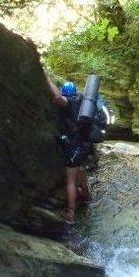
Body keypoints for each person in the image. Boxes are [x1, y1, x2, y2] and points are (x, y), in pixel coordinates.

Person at [45, 71, 93, 224]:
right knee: (80, 168)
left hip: (74, 145)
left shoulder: (69, 102)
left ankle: (71, 214)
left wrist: (46, 76)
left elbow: (58, 98)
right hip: (85, 144)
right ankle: (86, 194)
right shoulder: (81, 101)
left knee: (70, 180)